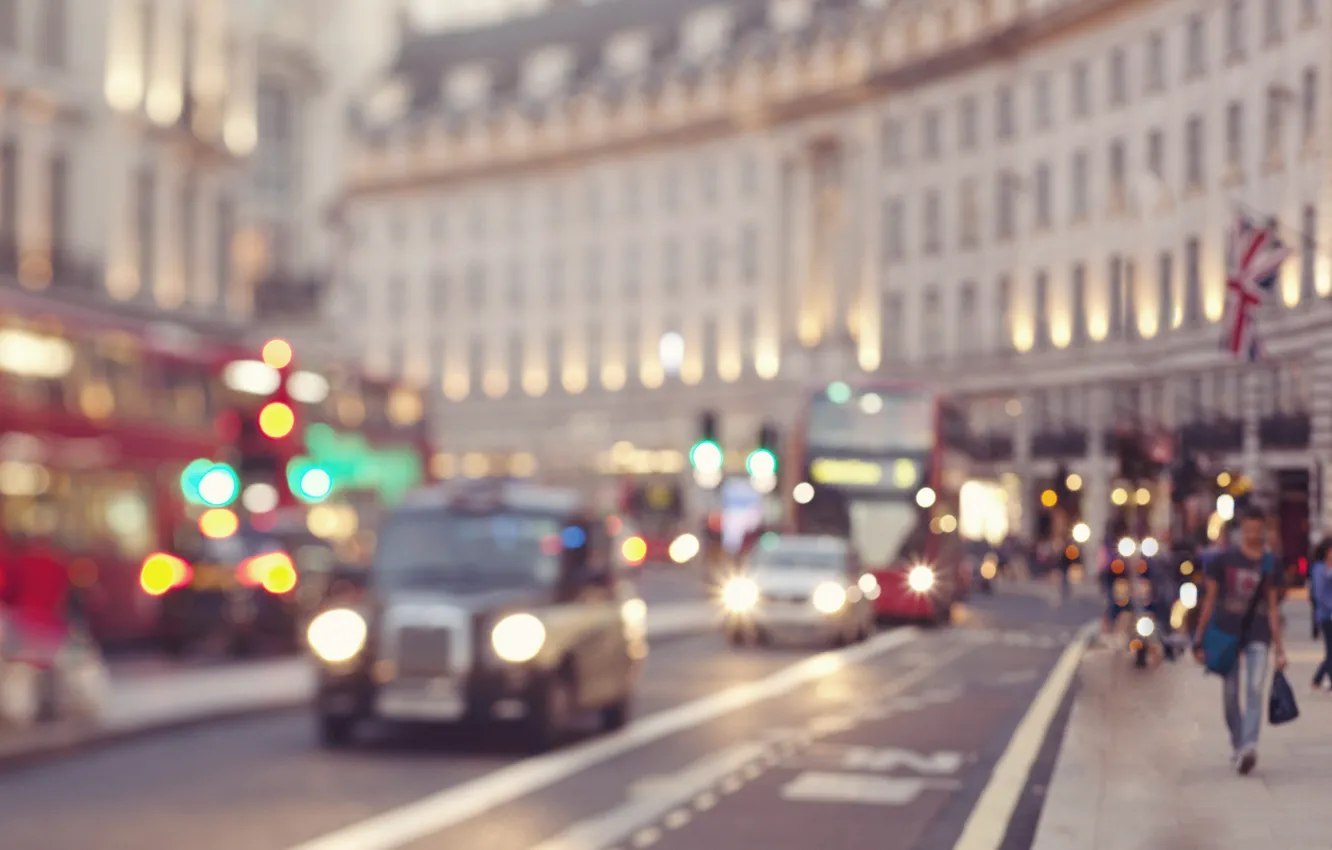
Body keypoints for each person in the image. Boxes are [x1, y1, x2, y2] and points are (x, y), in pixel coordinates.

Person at [1192, 506, 1286, 775]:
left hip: (1258, 633)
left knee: (1255, 688)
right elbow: (1209, 599)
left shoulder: (1270, 563)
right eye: (1248, 527)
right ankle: (1237, 743)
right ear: (1241, 529)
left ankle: (1249, 746)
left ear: (1263, 530)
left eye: (1258, 528)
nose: (1253, 533)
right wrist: (1199, 638)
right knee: (1230, 695)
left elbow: (1272, 608)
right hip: (1226, 632)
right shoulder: (1224, 560)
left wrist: (1279, 648)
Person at [1309, 538, 1332, 691]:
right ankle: (1318, 679)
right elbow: (1319, 594)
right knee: (1331, 650)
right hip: (1326, 615)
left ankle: (1318, 679)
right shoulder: (1319, 569)